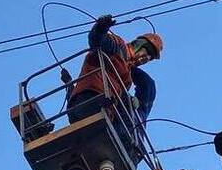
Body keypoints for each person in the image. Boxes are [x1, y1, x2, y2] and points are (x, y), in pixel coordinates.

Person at [67, 15, 163, 150]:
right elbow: (97, 41)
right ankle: (125, 148)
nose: (146, 59)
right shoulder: (118, 46)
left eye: (150, 59)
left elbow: (144, 84)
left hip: (102, 109)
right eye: (147, 53)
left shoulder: (128, 73)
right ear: (139, 45)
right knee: (125, 113)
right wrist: (101, 28)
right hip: (90, 98)